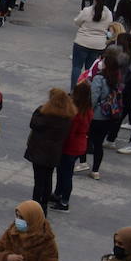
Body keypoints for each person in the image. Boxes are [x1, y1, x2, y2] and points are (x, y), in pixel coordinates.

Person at [24, 88, 75, 213]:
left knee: (38, 181)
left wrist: (39, 109)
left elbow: (33, 123)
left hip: (39, 152)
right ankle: (44, 205)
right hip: (54, 153)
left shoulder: (45, 115)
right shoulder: (67, 118)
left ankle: (35, 206)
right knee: (48, 179)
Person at [53, 81, 90, 209]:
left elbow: (70, 132)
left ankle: (64, 201)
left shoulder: (76, 113)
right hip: (80, 145)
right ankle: (58, 194)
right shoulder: (88, 109)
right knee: (63, 171)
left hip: (70, 146)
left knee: (66, 173)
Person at [86, 56, 124, 180]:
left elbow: (93, 97)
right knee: (99, 144)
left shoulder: (99, 78)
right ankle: (95, 170)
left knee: (87, 138)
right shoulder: (116, 80)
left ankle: (82, 162)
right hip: (110, 116)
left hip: (96, 115)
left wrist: (87, 111)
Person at [71, 0, 112, 87]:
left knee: (77, 67)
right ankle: (87, 90)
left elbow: (77, 21)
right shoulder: (108, 14)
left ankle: (74, 89)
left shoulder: (87, 11)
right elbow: (109, 25)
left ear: (94, 0)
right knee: (90, 69)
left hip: (82, 42)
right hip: (99, 45)